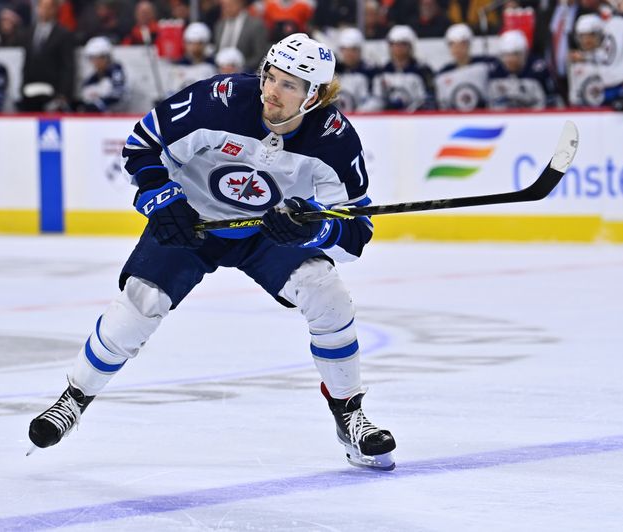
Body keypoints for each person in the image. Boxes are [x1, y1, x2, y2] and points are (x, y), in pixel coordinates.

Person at [28, 32, 397, 471]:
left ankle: (348, 413)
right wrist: (163, 200)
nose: (272, 92)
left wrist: (311, 227)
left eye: (289, 85)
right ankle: (74, 398)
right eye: (270, 77)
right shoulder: (217, 101)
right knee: (141, 303)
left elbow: (356, 232)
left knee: (328, 295)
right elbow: (143, 144)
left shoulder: (334, 141)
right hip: (194, 219)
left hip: (269, 232)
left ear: (314, 96)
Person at [19, 0, 75, 112]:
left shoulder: (63, 34)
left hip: (53, 89)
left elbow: (67, 66)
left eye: (48, 7)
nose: (44, 11)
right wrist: (23, 87)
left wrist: (63, 93)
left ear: (55, 10)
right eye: (42, 7)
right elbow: (27, 62)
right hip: (31, 90)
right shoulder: (29, 32)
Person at [435, 23, 501, 111]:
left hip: (483, 115)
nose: (457, 49)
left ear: (469, 44)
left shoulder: (486, 65)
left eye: (462, 44)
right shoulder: (443, 73)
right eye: (453, 45)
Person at [487, 29, 559, 110]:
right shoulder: (495, 69)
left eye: (515, 54)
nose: (510, 59)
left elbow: (552, 100)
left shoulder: (538, 69)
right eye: (506, 55)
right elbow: (490, 102)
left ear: (525, 53)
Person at [371, 25, 436, 111]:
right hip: (386, 120)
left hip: (417, 120)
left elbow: (428, 99)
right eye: (394, 44)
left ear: (411, 46)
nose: (398, 48)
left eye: (403, 44)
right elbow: (376, 99)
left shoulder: (423, 71)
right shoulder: (382, 71)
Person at [214, 0, 270, 73]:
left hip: (245, 72)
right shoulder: (219, 25)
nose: (226, 9)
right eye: (224, 6)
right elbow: (217, 49)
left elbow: (260, 54)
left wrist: (239, 68)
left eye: (229, 5)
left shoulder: (255, 25)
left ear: (240, 4)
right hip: (219, 72)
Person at [332, 27, 377, 113]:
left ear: (360, 50)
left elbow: (377, 99)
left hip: (362, 118)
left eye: (353, 50)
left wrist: (359, 113)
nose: (349, 54)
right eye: (346, 49)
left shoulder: (370, 72)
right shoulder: (333, 71)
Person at [77, 36, 127, 112]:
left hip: (121, 117)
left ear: (106, 57)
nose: (94, 62)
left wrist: (99, 104)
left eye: (98, 58)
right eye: (92, 58)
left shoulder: (116, 72)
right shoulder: (93, 78)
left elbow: (118, 95)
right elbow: (85, 94)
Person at [170, 21, 217, 93]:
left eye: (199, 44)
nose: (195, 48)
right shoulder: (178, 66)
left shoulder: (212, 66)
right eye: (191, 43)